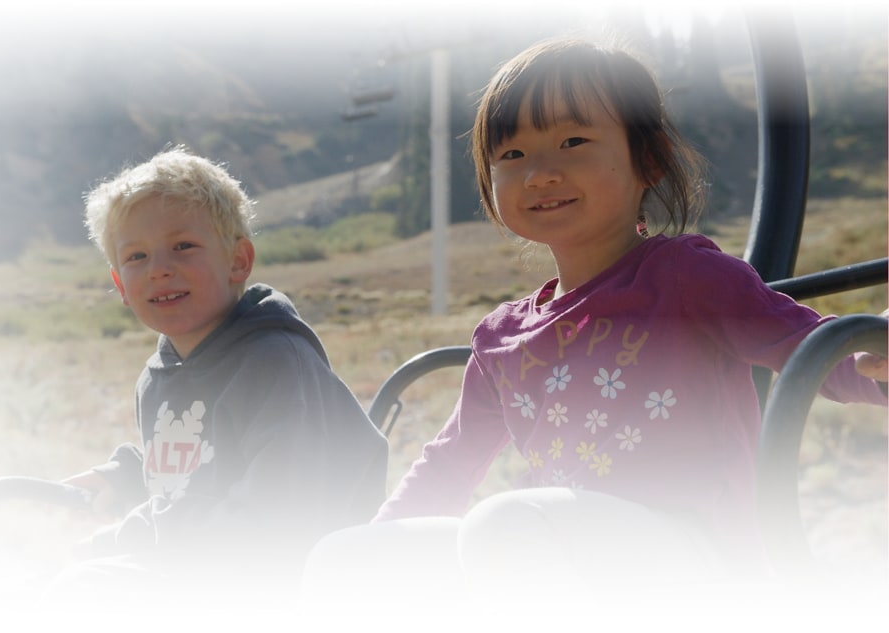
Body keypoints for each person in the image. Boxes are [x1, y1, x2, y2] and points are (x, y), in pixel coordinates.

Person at [304, 36, 888, 605]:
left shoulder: (683, 277)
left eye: (573, 141)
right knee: (347, 557)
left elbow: (811, 349)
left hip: (695, 552)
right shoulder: (501, 339)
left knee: (505, 525)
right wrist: (381, 542)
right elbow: (452, 461)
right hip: (567, 545)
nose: (539, 173)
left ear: (649, 162)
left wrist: (875, 362)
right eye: (512, 155)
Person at [52, 146, 388, 609]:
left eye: (183, 246)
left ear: (238, 262)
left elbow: (278, 511)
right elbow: (176, 502)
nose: (160, 268)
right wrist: (112, 540)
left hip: (295, 586)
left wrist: (151, 560)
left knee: (85, 595)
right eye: (136, 256)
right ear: (119, 286)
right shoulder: (156, 381)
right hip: (207, 574)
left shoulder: (276, 362)